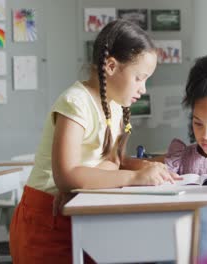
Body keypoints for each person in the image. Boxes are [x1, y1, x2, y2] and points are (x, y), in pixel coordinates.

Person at [9, 20, 179, 263]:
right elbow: (65, 176)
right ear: (110, 66)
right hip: (45, 219)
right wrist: (131, 177)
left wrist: (144, 166)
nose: (143, 88)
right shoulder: (76, 102)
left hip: (81, 211)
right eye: (139, 78)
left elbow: (112, 162)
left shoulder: (116, 107)